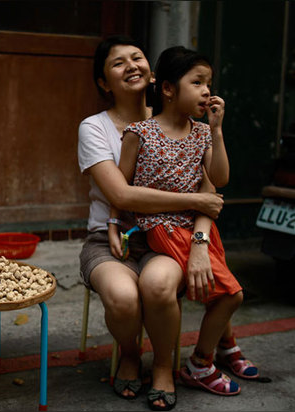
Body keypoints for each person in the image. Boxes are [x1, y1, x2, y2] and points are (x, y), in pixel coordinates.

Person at [78, 36, 224, 411]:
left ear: (157, 77)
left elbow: (214, 195)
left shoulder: (185, 124)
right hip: (110, 238)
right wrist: (195, 201)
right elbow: (123, 196)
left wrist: (199, 245)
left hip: (169, 237)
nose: (131, 65)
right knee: (124, 298)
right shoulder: (94, 128)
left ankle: (162, 366)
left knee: (158, 287)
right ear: (102, 82)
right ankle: (130, 354)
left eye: (137, 57)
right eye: (117, 63)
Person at [110, 45, 259, 401]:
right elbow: (121, 186)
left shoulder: (202, 134)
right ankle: (202, 363)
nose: (207, 90)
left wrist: (217, 131)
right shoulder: (140, 133)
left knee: (228, 295)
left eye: (209, 83)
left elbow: (219, 181)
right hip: (163, 230)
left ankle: (206, 359)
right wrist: (114, 224)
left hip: (197, 230)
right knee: (230, 294)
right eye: (197, 82)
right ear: (167, 89)